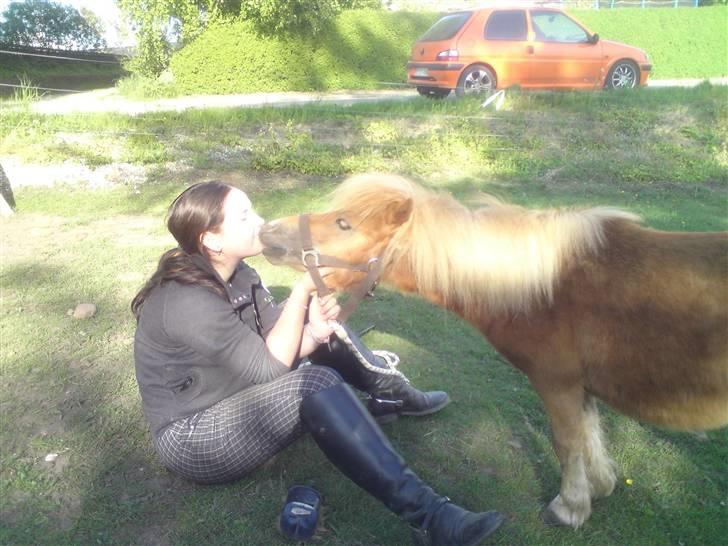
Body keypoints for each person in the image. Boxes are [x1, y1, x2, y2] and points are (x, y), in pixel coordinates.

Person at [131, 181, 505, 545]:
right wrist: (300, 293)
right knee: (315, 382)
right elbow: (269, 368)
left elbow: (277, 342)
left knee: (324, 331)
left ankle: (394, 396)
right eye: (244, 216)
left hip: (239, 393)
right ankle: (430, 517)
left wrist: (313, 330)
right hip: (195, 437)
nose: (259, 220)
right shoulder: (186, 301)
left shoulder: (240, 275)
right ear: (211, 240)